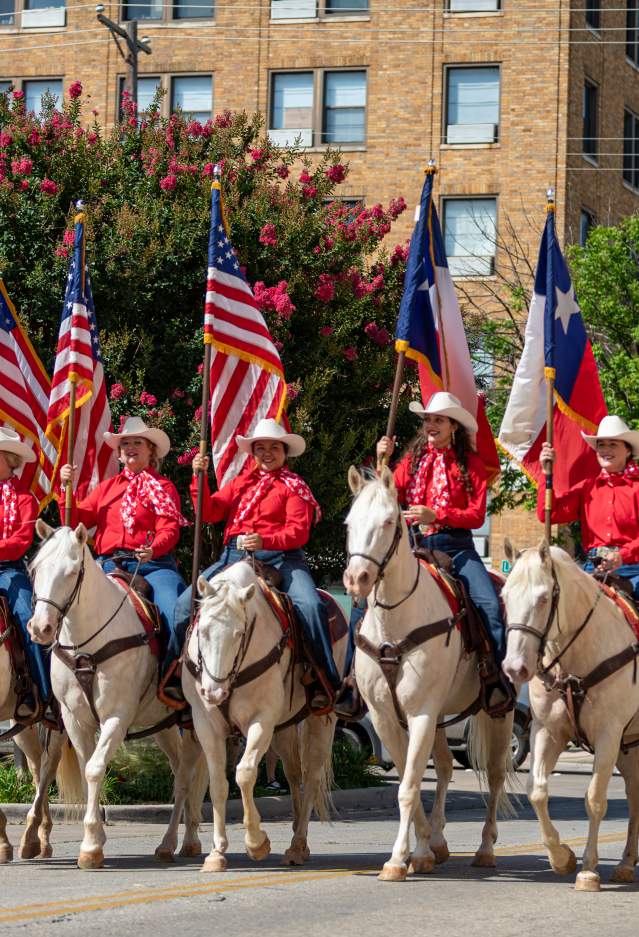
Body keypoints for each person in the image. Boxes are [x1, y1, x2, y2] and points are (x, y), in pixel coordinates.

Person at [173, 418, 342, 710]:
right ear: (252, 453)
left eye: (273, 447)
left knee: (310, 605)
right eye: (260, 448)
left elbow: (298, 531)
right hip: (233, 557)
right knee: (183, 604)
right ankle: (178, 676)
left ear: (284, 452)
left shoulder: (295, 487)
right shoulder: (240, 483)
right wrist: (198, 480)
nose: (266, 453)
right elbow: (210, 512)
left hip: (282, 558)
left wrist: (266, 540)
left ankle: (323, 679)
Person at [372, 392, 511, 715]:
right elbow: (388, 494)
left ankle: (495, 678)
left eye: (438, 420)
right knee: (370, 598)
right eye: (428, 420)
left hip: (457, 547)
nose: (431, 425)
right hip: (415, 547)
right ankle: (354, 677)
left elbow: (477, 515)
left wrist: (438, 515)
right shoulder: (413, 460)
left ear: (453, 426)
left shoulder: (471, 463)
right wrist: (383, 461)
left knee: (489, 603)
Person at [59, 416, 189, 703]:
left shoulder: (163, 487)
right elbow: (78, 519)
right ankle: (62, 685)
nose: (130, 447)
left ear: (150, 451)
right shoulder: (106, 489)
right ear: (118, 453)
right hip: (109, 564)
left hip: (153, 565)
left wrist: (154, 548)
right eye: (125, 443)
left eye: (137, 443)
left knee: (173, 606)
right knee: (62, 604)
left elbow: (170, 527)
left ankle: (174, 674)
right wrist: (65, 490)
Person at [539, 415, 639, 599]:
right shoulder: (587, 487)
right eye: (601, 445)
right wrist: (546, 475)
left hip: (634, 569)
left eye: (613, 444)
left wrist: (622, 555)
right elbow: (550, 514)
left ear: (627, 450)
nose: (606, 450)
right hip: (593, 566)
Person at [0, 427, 51, 722]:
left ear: (8, 459)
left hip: (8, 570)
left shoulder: (24, 498)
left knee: (27, 616)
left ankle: (42, 694)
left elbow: (21, 542)